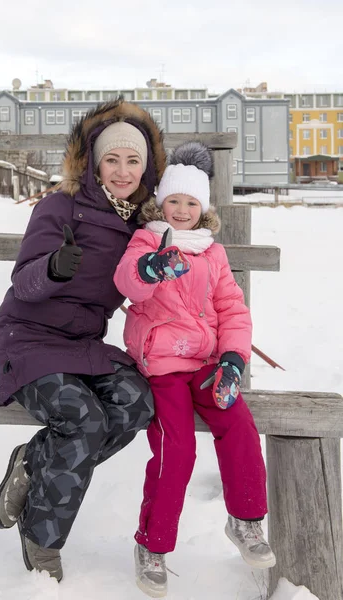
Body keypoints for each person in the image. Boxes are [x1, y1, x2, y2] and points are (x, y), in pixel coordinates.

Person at [0, 98, 167, 582]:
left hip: (83, 345)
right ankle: (43, 539)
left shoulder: (144, 228)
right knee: (83, 419)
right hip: (26, 338)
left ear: (147, 167)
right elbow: (23, 282)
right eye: (112, 159)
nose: (123, 170)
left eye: (134, 160)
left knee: (135, 405)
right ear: (94, 163)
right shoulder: (59, 206)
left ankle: (33, 461)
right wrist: (51, 269)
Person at [114, 142, 276, 598]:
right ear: (160, 202)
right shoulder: (148, 239)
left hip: (207, 364)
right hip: (164, 366)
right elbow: (126, 279)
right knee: (176, 450)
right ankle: (153, 545)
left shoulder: (212, 252)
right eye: (174, 201)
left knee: (240, 425)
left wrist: (232, 359)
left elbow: (233, 310)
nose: (182, 210)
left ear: (202, 208)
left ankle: (245, 521)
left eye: (191, 203)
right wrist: (151, 268)